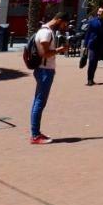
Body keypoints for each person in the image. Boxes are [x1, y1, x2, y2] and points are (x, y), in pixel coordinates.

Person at [31, 13, 69, 145]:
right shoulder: (46, 33)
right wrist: (60, 49)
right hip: (44, 71)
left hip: (43, 70)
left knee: (38, 101)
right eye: (64, 23)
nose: (65, 26)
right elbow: (44, 54)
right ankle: (35, 135)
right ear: (59, 20)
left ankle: (36, 132)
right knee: (40, 102)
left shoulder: (44, 30)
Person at [83, 7, 103, 86]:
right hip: (92, 43)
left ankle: (92, 78)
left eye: (102, 12)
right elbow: (87, 33)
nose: (100, 13)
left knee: (95, 62)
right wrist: (85, 45)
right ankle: (89, 80)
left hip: (100, 44)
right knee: (91, 61)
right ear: (97, 12)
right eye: (99, 11)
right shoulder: (92, 21)